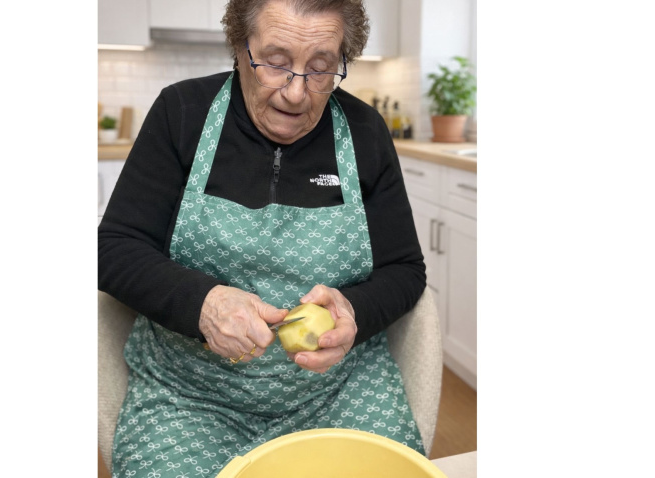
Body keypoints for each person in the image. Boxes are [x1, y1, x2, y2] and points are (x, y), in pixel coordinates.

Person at [98, 0, 427, 475]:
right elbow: (115, 248)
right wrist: (204, 304)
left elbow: (405, 269)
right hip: (191, 398)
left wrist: (354, 312)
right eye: (275, 62)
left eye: (320, 69)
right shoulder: (182, 113)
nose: (296, 93)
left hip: (337, 391)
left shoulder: (364, 132)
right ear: (239, 47)